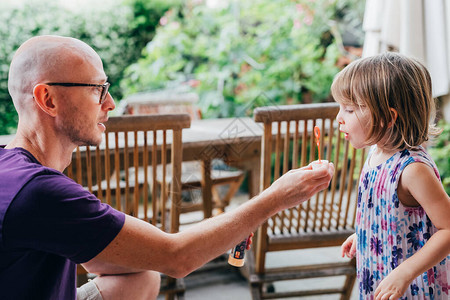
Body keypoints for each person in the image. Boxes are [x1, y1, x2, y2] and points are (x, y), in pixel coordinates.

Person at [0, 35, 334, 300]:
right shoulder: (40, 192)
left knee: (142, 275)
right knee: (156, 264)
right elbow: (177, 257)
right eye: (97, 90)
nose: (110, 103)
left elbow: (100, 259)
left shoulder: (10, 163)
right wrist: (275, 198)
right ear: (48, 100)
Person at [333, 52, 450, 300]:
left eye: (349, 109)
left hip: (413, 287)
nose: (338, 118)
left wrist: (404, 273)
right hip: (379, 277)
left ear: (387, 117)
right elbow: (391, 212)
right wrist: (366, 233)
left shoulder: (413, 169)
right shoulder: (376, 153)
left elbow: (448, 228)